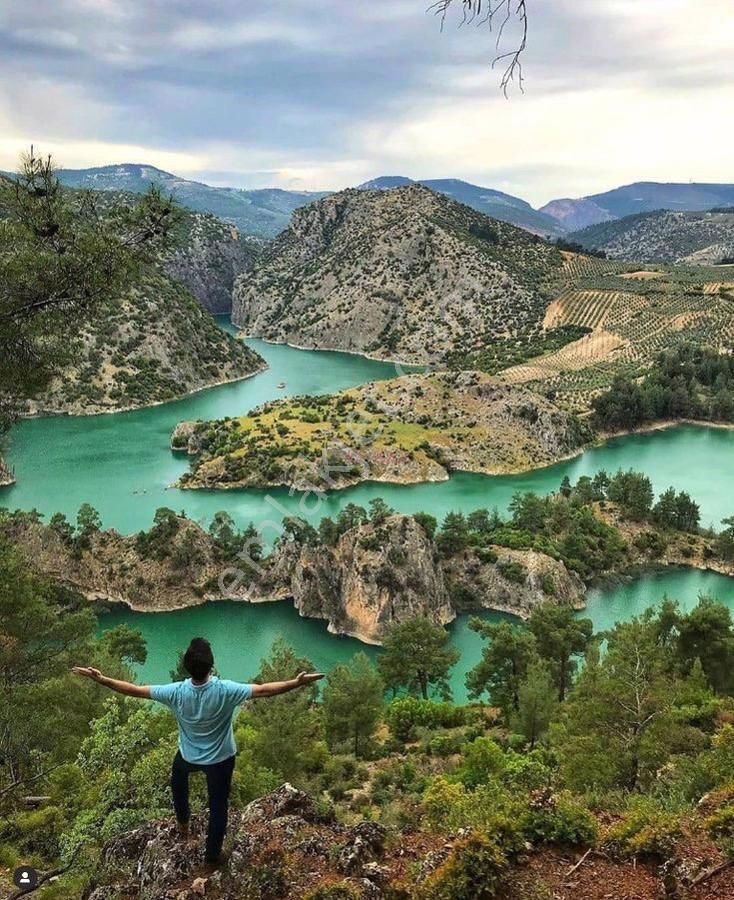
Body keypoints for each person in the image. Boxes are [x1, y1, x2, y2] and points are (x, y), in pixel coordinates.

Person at [73, 637, 324, 867]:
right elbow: (265, 690)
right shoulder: (226, 690)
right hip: (221, 759)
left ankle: (183, 823)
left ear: (187, 667)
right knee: (218, 807)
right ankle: (212, 856)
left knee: (178, 781)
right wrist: (296, 682)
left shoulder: (176, 693)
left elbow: (135, 690)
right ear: (211, 666)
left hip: (189, 756)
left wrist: (102, 679)